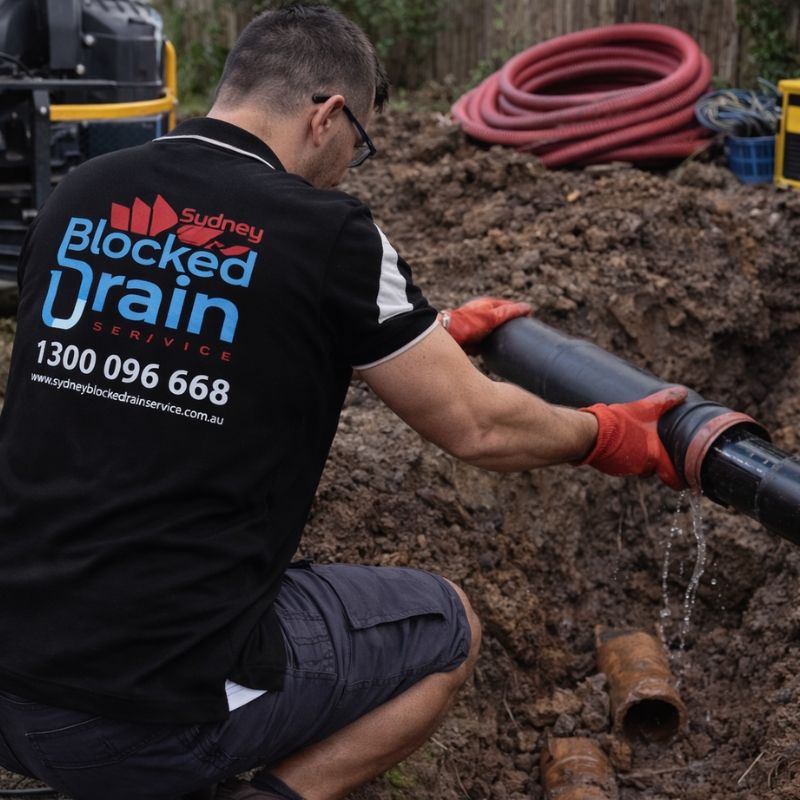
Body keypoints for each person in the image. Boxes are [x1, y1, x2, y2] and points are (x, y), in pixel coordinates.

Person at [0, 5, 686, 800]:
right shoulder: (324, 234)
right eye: (357, 146)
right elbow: (478, 425)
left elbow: (165, 314)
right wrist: (607, 435)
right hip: (136, 717)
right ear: (327, 115)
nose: (347, 167)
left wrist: (416, 334)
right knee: (444, 630)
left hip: (10, 682)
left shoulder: (81, 192)